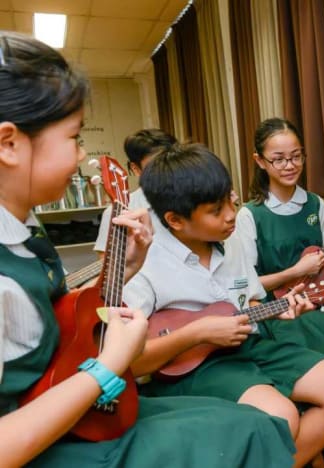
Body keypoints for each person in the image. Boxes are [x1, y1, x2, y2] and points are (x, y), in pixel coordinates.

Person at [0, 31, 295, 467]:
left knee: (254, 424)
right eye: (74, 138)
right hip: (44, 443)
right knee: (252, 434)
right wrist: (108, 366)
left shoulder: (25, 232)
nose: (82, 155)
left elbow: (62, 333)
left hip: (73, 416)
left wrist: (122, 274)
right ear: (9, 144)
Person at [123, 143, 324, 467]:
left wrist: (280, 308)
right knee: (279, 417)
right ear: (175, 220)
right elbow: (132, 362)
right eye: (215, 210)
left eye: (230, 200)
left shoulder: (230, 239)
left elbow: (248, 300)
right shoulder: (143, 260)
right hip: (191, 370)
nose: (231, 215)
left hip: (248, 347)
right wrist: (196, 333)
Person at [235, 117, 324, 370]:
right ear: (260, 161)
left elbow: (322, 264)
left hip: (321, 292)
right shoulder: (250, 215)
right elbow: (248, 285)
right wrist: (295, 272)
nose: (290, 165)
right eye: (279, 159)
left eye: (296, 156)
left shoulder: (314, 203)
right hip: (283, 308)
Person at [93, 128, 176, 258]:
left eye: (172, 162)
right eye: (155, 166)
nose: (166, 170)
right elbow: (106, 264)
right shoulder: (118, 212)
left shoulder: (195, 199)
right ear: (136, 169)